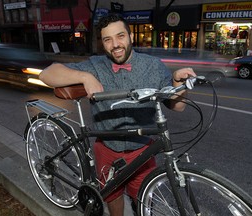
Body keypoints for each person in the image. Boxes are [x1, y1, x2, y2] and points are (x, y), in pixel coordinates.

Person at [39, 13, 196, 216]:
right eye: (108, 39)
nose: (115, 44)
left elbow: (177, 106)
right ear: (102, 44)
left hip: (141, 149)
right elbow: (46, 74)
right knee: (112, 197)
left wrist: (177, 82)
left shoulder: (153, 66)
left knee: (144, 201)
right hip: (107, 148)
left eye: (120, 36)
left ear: (130, 36)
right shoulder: (95, 65)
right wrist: (84, 76)